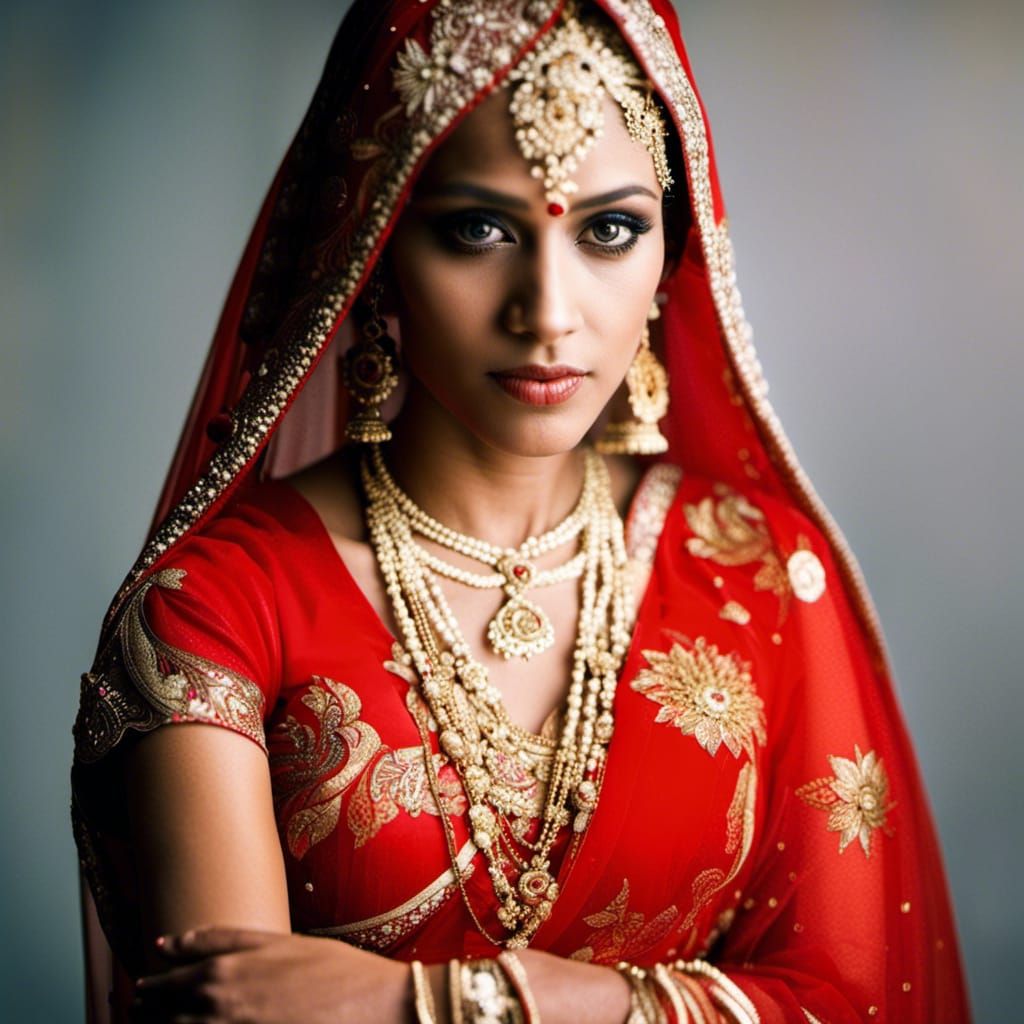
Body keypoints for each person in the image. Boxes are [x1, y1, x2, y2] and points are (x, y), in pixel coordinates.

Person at [71, 1, 971, 1021]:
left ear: (671, 255)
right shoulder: (215, 610)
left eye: (610, 230)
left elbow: (850, 1000)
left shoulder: (763, 577)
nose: (547, 312)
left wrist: (429, 1002)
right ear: (371, 245)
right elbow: (236, 1008)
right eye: (478, 230)